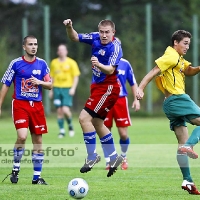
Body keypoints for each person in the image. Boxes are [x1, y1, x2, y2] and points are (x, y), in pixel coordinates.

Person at [136, 30, 200, 195]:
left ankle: (187, 181)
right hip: (178, 99)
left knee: (181, 142)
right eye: (185, 43)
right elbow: (153, 72)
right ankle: (189, 146)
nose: (187, 47)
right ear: (175, 43)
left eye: (188, 44)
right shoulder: (170, 56)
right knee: (186, 143)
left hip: (170, 104)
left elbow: (189, 70)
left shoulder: (179, 59)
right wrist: (140, 88)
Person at [63, 18, 124, 177]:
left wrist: (98, 64)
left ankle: (92, 156)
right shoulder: (95, 37)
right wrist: (70, 27)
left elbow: (110, 70)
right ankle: (113, 157)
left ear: (113, 33)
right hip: (98, 87)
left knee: (84, 118)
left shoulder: (115, 47)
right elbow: (74, 37)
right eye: (102, 32)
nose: (104, 35)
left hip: (108, 87)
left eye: (107, 32)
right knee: (97, 122)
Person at [0, 35, 52, 185]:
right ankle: (16, 168)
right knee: (22, 137)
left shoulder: (42, 64)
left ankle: (37, 178)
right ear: (24, 47)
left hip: (37, 106)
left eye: (35, 44)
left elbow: (50, 85)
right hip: (20, 104)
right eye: (30, 44)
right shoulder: (16, 63)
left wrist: (40, 82)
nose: (33, 47)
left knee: (38, 141)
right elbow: (5, 85)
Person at [103, 38, 140, 170]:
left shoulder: (125, 64)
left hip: (120, 101)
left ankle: (123, 157)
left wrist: (136, 99)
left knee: (123, 134)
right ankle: (109, 160)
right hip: (105, 99)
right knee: (105, 132)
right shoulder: (103, 62)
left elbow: (133, 83)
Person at [49, 44, 80, 138]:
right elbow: (52, 77)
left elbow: (76, 76)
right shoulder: (54, 62)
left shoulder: (72, 62)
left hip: (67, 89)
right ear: (58, 52)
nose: (61, 51)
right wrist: (50, 90)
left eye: (63, 50)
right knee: (59, 110)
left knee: (65, 110)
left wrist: (73, 88)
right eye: (59, 50)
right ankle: (62, 131)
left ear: (66, 51)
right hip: (57, 89)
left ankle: (70, 125)